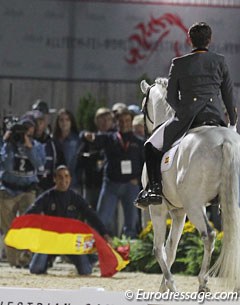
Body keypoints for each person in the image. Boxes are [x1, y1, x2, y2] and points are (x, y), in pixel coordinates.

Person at [136, 22, 238, 208]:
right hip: (215, 117)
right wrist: (232, 123)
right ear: (209, 40)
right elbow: (229, 95)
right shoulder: (220, 61)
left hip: (187, 118)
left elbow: (170, 97)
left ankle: (154, 190)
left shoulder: (179, 63)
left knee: (150, 145)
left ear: (189, 40)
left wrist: (182, 112)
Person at [25, 165, 110, 275]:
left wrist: (104, 233)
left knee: (86, 271)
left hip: (71, 241)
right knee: (35, 269)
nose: (63, 180)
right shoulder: (47, 197)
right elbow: (30, 214)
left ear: (70, 179)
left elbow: (91, 216)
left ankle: (90, 259)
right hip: (50, 240)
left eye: (66, 176)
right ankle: (47, 261)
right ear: (54, 179)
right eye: (60, 177)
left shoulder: (75, 197)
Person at [83, 108, 144, 238]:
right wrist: (89, 136)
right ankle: (97, 252)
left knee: (131, 223)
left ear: (132, 121)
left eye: (127, 120)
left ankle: (129, 254)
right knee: (101, 220)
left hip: (131, 186)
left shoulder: (139, 142)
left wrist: (139, 179)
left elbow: (146, 164)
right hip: (111, 185)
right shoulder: (110, 138)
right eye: (121, 121)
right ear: (116, 122)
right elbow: (93, 138)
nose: (124, 123)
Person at [0, 116, 45, 267]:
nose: (24, 131)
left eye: (28, 128)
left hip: (28, 190)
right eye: (22, 128)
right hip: (8, 188)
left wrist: (29, 147)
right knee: (9, 227)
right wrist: (8, 143)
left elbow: (39, 165)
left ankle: (27, 258)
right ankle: (14, 262)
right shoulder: (8, 145)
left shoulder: (37, 145)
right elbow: (6, 165)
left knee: (29, 225)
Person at [31, 101, 65, 193]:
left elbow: (61, 168)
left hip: (47, 192)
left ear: (47, 120)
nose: (38, 124)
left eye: (41, 120)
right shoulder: (23, 142)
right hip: (27, 192)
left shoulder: (54, 144)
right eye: (36, 120)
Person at [53, 108, 80, 189]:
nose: (64, 123)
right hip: (55, 181)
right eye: (61, 120)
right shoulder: (53, 140)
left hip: (72, 181)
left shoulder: (76, 140)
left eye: (67, 120)